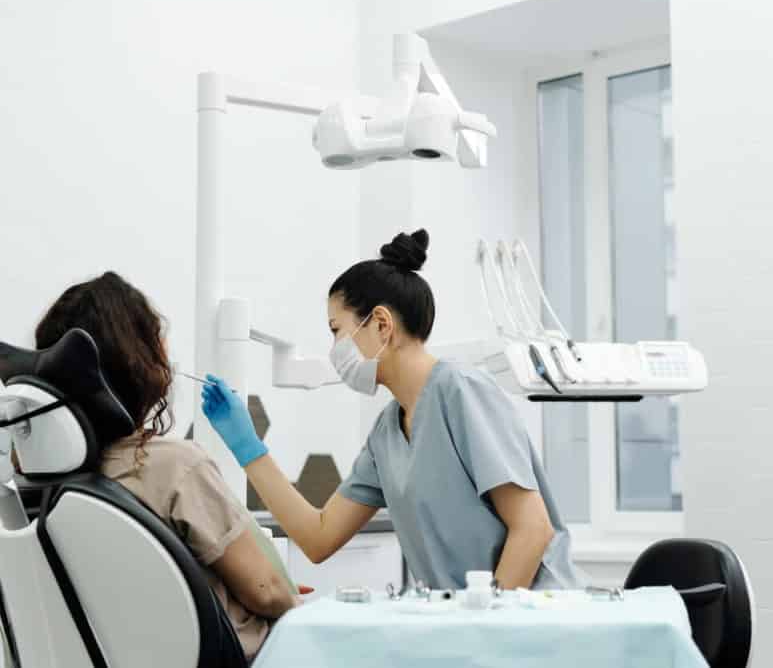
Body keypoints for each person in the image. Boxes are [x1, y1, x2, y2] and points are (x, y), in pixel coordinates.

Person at [203, 229, 585, 590]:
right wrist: (247, 446)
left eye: (337, 330)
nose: (334, 347)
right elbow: (318, 537)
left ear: (381, 324)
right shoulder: (388, 432)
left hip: (532, 616)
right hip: (467, 623)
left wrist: (488, 621)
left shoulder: (461, 392)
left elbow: (533, 528)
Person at [33, 272, 298, 663]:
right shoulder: (174, 467)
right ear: (136, 363)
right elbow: (267, 591)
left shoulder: (39, 482)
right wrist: (298, 603)